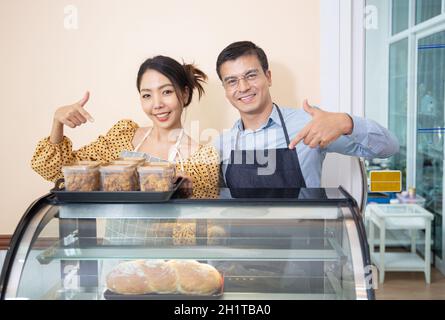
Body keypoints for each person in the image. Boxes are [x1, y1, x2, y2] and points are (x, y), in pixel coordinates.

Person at [31, 55, 220, 246]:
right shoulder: (122, 137)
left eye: (167, 92)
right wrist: (57, 123)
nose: (157, 104)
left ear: (185, 94)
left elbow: (204, 237)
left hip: (169, 268)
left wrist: (184, 196)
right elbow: (57, 171)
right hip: (116, 262)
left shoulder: (203, 158)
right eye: (147, 95)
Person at [214, 41, 400, 189]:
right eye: (232, 81)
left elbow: (389, 147)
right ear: (225, 90)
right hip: (242, 237)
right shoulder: (220, 145)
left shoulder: (310, 124)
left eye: (251, 75)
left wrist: (347, 123)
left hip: (304, 236)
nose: (243, 87)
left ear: (268, 77)